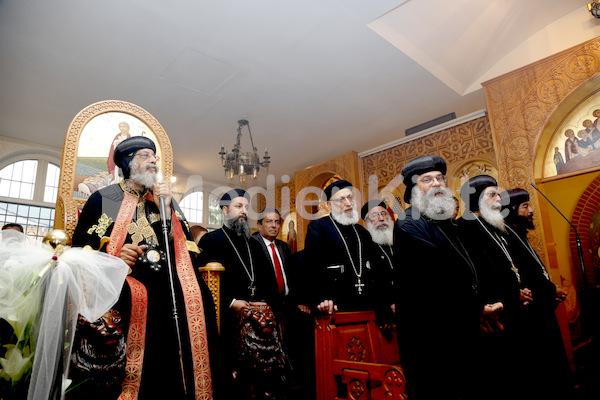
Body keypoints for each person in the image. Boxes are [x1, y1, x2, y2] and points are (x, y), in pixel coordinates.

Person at [70, 136, 215, 400]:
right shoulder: (105, 198)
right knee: (137, 297)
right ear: (128, 162)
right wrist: (113, 256)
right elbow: (81, 249)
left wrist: (168, 211)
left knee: (201, 297)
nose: (153, 162)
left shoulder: (164, 200)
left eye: (154, 157)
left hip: (167, 280)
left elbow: (187, 249)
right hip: (123, 280)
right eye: (145, 156)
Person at [393, 155, 488, 400]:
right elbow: (439, 274)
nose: (436, 184)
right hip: (429, 337)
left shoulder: (448, 224)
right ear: (414, 190)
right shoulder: (408, 222)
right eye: (427, 180)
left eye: (439, 178)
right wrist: (478, 306)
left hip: (461, 327)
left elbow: (472, 266)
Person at [198, 190, 289, 400]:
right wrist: (231, 302)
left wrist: (264, 302)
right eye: (239, 206)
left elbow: (268, 281)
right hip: (226, 319)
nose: (244, 212)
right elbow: (203, 285)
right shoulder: (211, 241)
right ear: (225, 210)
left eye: (246, 207)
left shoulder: (253, 244)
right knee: (234, 383)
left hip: (257, 319)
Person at [458, 175, 532, 400]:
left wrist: (521, 289)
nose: (499, 199)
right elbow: (481, 273)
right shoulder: (465, 227)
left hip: (512, 306)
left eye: (497, 194)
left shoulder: (495, 225)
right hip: (494, 313)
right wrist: (511, 295)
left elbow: (509, 264)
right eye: (492, 194)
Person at [501, 188, 573, 399]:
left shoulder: (519, 233)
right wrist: (549, 292)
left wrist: (551, 289)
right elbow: (524, 278)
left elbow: (536, 271)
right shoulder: (508, 236)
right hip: (531, 319)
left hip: (542, 312)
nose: (531, 210)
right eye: (525, 206)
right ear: (512, 210)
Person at [304, 180, 377, 314]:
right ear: (328, 205)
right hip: (334, 305)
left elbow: (374, 269)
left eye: (350, 198)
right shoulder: (318, 227)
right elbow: (311, 267)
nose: (348, 203)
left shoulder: (362, 232)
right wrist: (322, 298)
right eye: (341, 199)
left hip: (366, 304)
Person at [361, 200, 395, 325]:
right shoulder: (363, 247)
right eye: (375, 216)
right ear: (366, 222)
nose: (381, 219)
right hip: (379, 314)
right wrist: (385, 305)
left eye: (384, 214)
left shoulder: (398, 242)